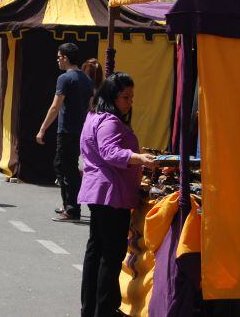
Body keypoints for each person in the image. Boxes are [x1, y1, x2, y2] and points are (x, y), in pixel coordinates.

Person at [78, 72, 156, 317]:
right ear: (112, 96)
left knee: (97, 252)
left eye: (132, 97)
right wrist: (139, 158)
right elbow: (110, 152)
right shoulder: (110, 121)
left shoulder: (94, 116)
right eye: (126, 97)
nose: (130, 102)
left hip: (99, 192)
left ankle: (91, 308)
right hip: (111, 193)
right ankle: (103, 309)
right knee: (109, 257)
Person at [36, 43, 94, 221]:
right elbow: (91, 106)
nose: (58, 60)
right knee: (66, 166)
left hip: (67, 130)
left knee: (64, 168)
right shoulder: (86, 79)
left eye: (59, 57)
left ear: (66, 58)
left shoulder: (65, 79)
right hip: (81, 129)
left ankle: (72, 209)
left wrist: (42, 129)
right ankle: (68, 203)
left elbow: (55, 107)